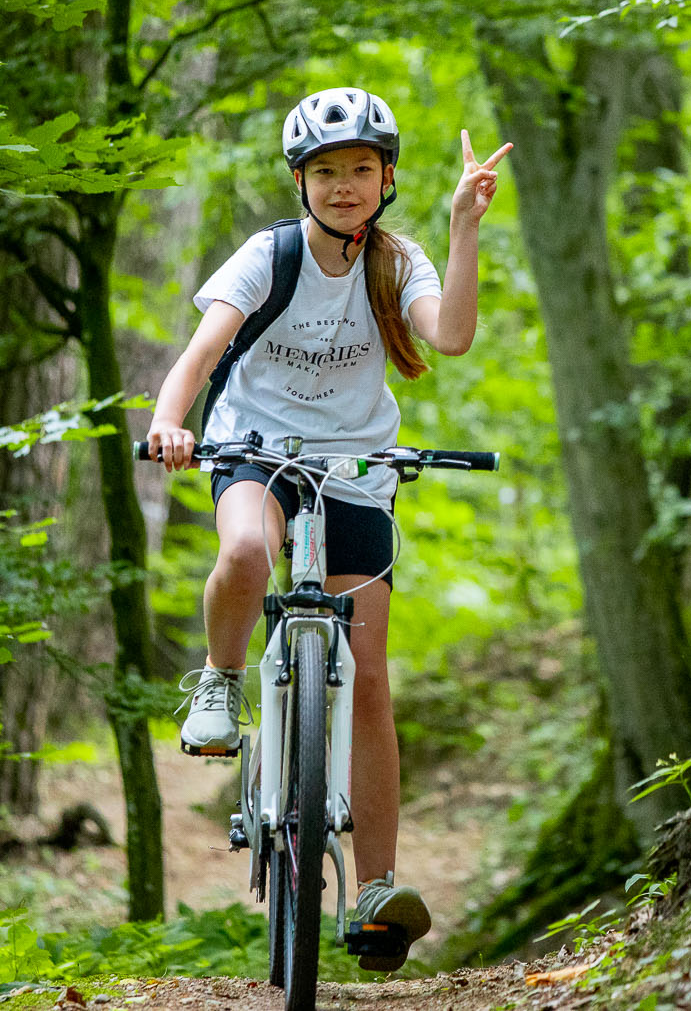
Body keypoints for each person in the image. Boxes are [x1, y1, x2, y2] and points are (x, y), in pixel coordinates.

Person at [142, 86, 511, 970]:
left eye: (360, 169)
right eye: (325, 171)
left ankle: (378, 889)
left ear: (386, 178)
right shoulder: (268, 257)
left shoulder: (397, 261)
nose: (343, 185)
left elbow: (451, 336)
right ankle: (221, 680)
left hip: (357, 470)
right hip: (253, 450)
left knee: (370, 677)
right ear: (300, 182)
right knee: (244, 547)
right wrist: (169, 423)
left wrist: (464, 227)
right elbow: (199, 355)